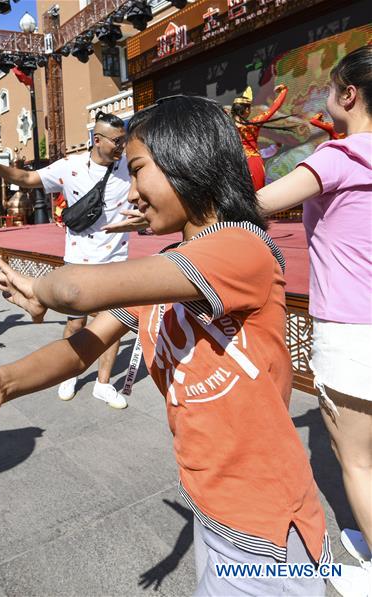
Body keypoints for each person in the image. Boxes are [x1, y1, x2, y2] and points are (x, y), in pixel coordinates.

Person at [0, 95, 332, 596]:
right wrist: (0, 383)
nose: (132, 193)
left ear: (186, 160)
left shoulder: (241, 248)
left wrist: (42, 289)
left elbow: (78, 291)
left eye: (139, 170)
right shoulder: (175, 267)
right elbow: (83, 345)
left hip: (268, 524)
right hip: (213, 506)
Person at [255, 46, 372, 597]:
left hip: (352, 331)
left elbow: (258, 203)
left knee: (358, 461)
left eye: (330, 88)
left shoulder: (338, 156)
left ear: (349, 95)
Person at [0, 111, 132, 408]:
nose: (122, 146)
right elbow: (28, 178)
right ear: (97, 140)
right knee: (76, 323)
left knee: (114, 323)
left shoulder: (129, 165)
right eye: (117, 141)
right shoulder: (70, 166)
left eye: (124, 140)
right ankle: (70, 371)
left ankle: (103, 384)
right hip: (79, 260)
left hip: (116, 259)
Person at [230, 84, 289, 190]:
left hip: (235, 166)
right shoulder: (253, 125)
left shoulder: (226, 128)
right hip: (253, 162)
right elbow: (272, 109)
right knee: (258, 195)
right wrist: (283, 91)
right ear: (247, 110)